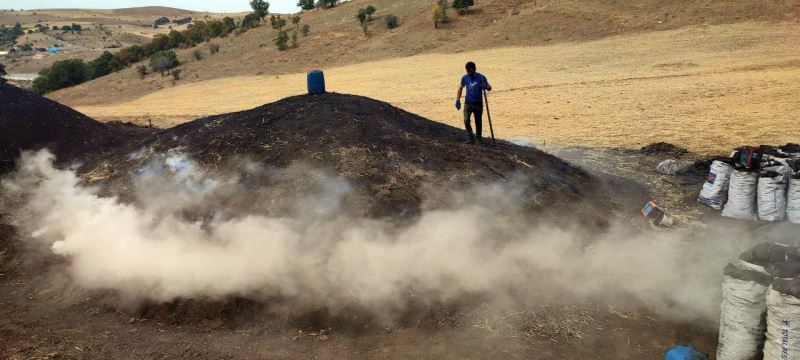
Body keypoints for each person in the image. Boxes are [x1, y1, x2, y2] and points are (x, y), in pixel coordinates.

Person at [455, 61, 492, 144]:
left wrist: (485, 86)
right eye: (467, 71)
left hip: (478, 103)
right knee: (466, 120)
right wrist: (458, 100)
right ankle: (470, 138)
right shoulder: (464, 78)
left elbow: (489, 87)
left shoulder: (481, 77)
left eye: (469, 71)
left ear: (473, 69)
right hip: (468, 103)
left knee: (478, 121)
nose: (468, 73)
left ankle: (479, 138)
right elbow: (460, 88)